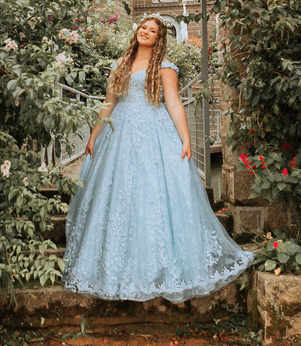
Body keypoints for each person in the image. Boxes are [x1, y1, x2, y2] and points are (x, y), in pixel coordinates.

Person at [62, 15, 253, 301]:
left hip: (154, 131)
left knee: (152, 193)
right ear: (137, 31)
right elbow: (109, 102)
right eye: (143, 27)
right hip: (119, 133)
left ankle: (158, 266)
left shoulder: (165, 67)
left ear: (158, 38)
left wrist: (186, 138)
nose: (146, 32)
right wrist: (94, 134)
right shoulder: (120, 64)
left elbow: (174, 102)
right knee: (118, 192)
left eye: (152, 30)